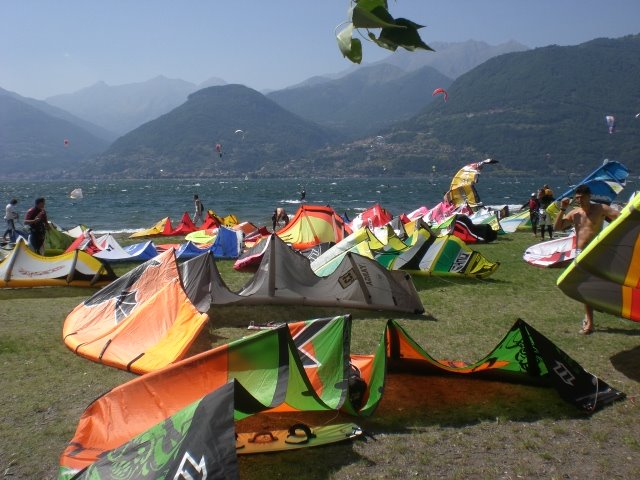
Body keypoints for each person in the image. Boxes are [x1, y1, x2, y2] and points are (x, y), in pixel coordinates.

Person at [554, 184, 620, 335]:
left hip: (597, 251)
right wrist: (563, 208)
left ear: (589, 196)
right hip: (580, 253)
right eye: (577, 198)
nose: (579, 200)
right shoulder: (575, 213)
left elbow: (620, 218)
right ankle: (590, 323)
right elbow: (558, 227)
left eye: (582, 197)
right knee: (585, 287)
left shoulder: (600, 209)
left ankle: (601, 305)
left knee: (606, 282)